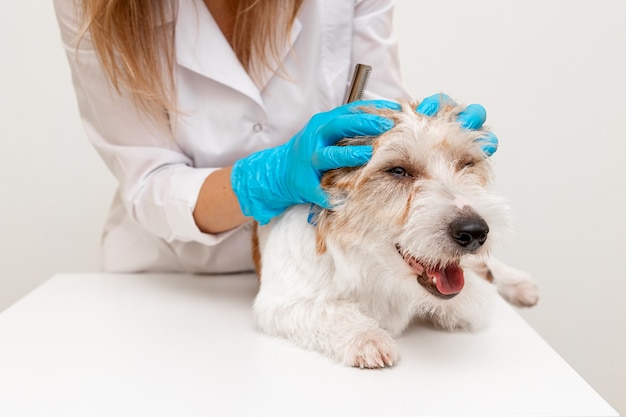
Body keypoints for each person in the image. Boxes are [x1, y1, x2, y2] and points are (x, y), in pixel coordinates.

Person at [53, 0, 496, 273]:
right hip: (172, 272)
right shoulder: (95, 7)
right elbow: (148, 180)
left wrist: (422, 137)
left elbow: (376, 112)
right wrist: (265, 178)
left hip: (325, 263)